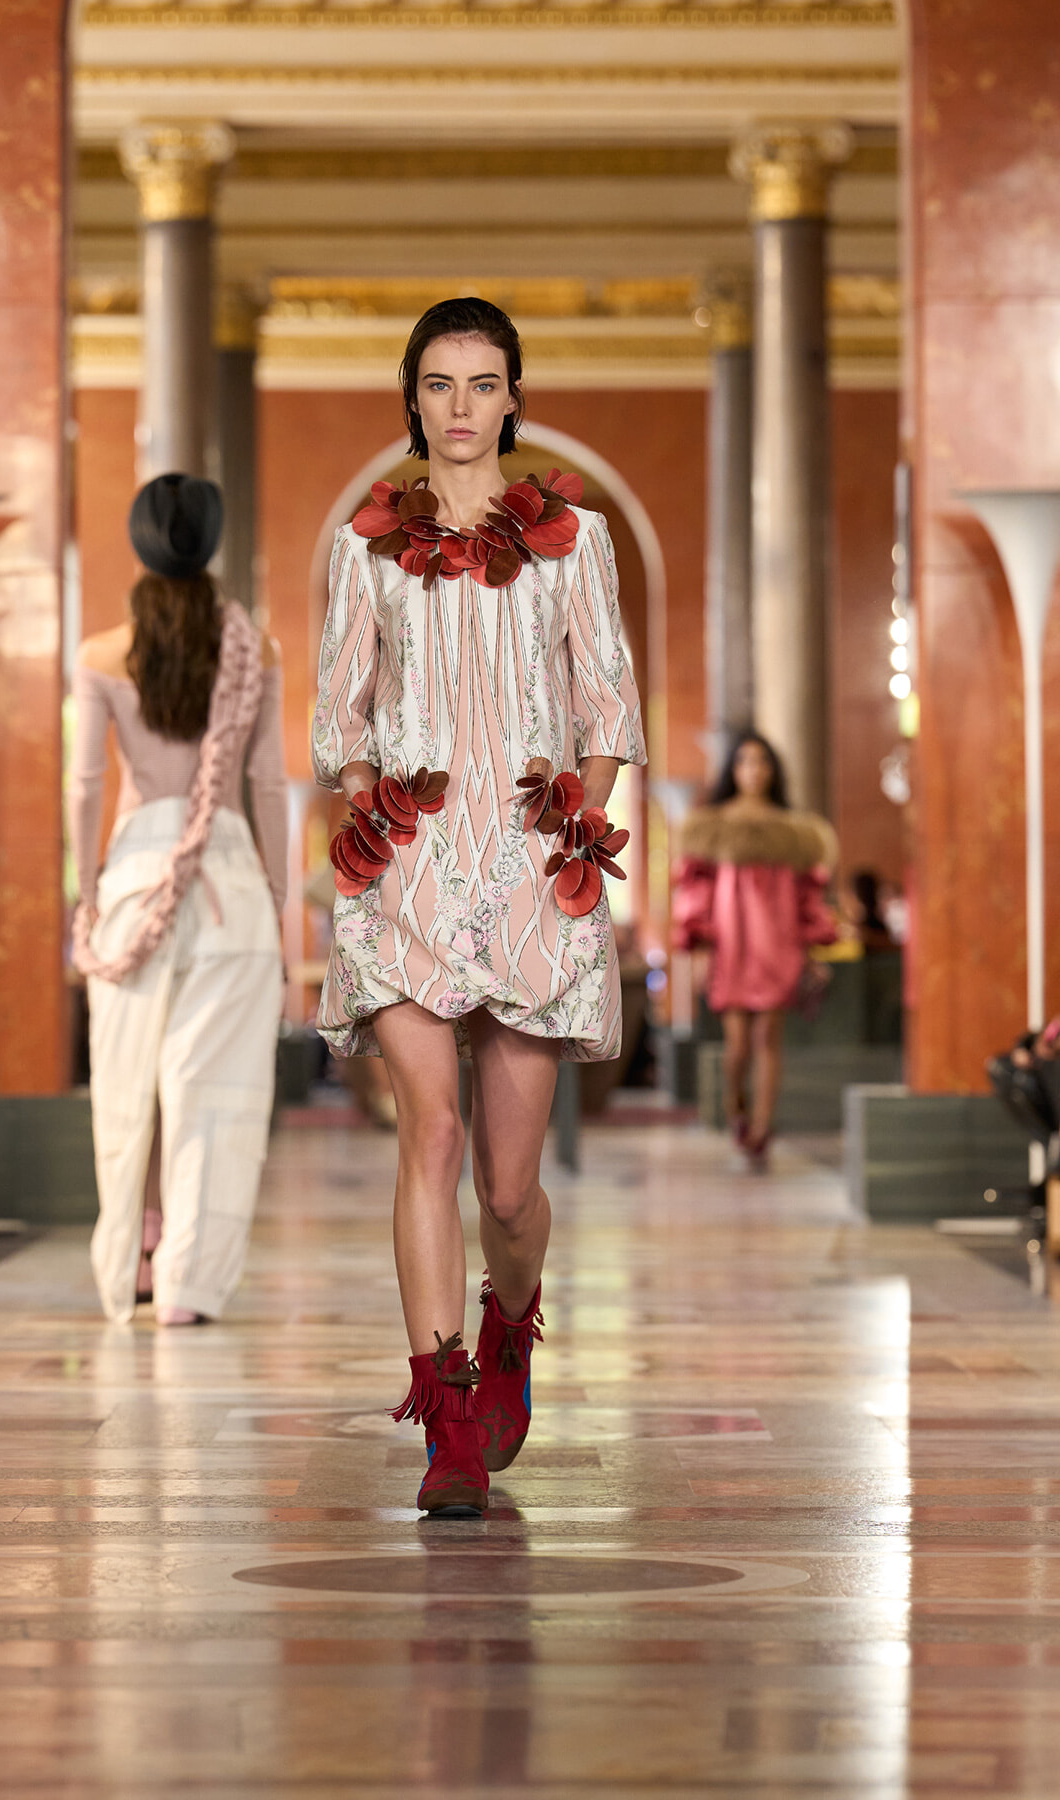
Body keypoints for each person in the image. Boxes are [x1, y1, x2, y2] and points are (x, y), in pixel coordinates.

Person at [312, 297, 645, 1516]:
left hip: (527, 876)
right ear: (414, 395)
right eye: (440, 384)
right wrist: (367, 809)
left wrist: (575, 817)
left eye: (482, 383)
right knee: (432, 1139)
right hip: (403, 872)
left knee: (509, 1188)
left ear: (514, 394)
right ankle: (445, 1418)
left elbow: (608, 704)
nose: (460, 406)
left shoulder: (578, 540)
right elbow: (341, 711)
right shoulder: (363, 547)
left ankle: (512, 1325)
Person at [69, 474, 287, 1327]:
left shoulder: (100, 655)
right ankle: (189, 1287)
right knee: (216, 1090)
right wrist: (273, 897)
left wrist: (87, 895)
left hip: (133, 880)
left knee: (128, 1087)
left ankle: (132, 1257)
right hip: (228, 877)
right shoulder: (253, 651)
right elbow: (266, 784)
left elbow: (86, 786)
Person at [671, 731, 837, 1172]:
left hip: (779, 946)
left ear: (772, 770)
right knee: (737, 1046)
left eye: (762, 762)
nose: (754, 770)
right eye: (744, 761)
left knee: (768, 1040)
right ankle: (736, 1106)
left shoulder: (796, 832)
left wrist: (814, 948)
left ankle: (763, 1126)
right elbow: (696, 892)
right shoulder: (710, 827)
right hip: (732, 946)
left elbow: (807, 897)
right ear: (733, 770)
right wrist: (701, 948)